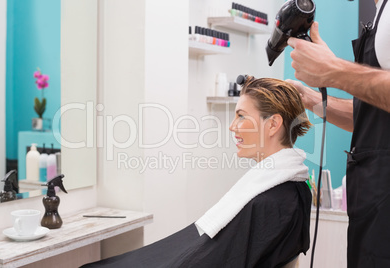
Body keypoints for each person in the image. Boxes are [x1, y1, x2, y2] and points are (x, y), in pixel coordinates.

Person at [81, 77, 312, 268]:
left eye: (241, 116)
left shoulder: (272, 200)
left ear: (272, 125)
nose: (232, 126)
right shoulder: (287, 188)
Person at [286, 0, 390, 266]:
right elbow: (372, 118)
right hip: (372, 207)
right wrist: (310, 99)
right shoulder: (380, 15)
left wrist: (331, 69)